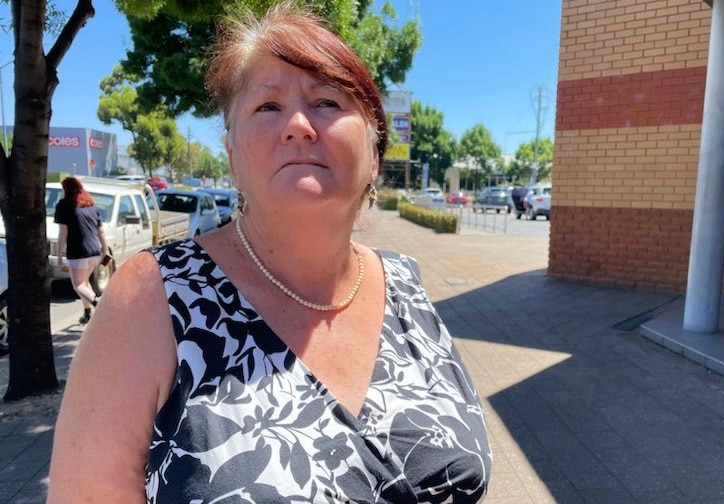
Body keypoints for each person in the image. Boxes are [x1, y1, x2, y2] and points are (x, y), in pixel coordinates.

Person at [47, 3, 491, 502]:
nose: (299, 125)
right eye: (268, 106)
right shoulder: (152, 299)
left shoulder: (406, 284)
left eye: (327, 101)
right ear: (234, 158)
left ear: (375, 155)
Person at [53, 177, 108, 324]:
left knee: (78, 285)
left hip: (78, 252)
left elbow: (63, 233)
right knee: (84, 282)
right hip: (95, 251)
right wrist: (106, 251)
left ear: (65, 190)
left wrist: (59, 257)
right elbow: (101, 231)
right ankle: (87, 313)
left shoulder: (64, 205)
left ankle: (98, 306)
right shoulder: (91, 205)